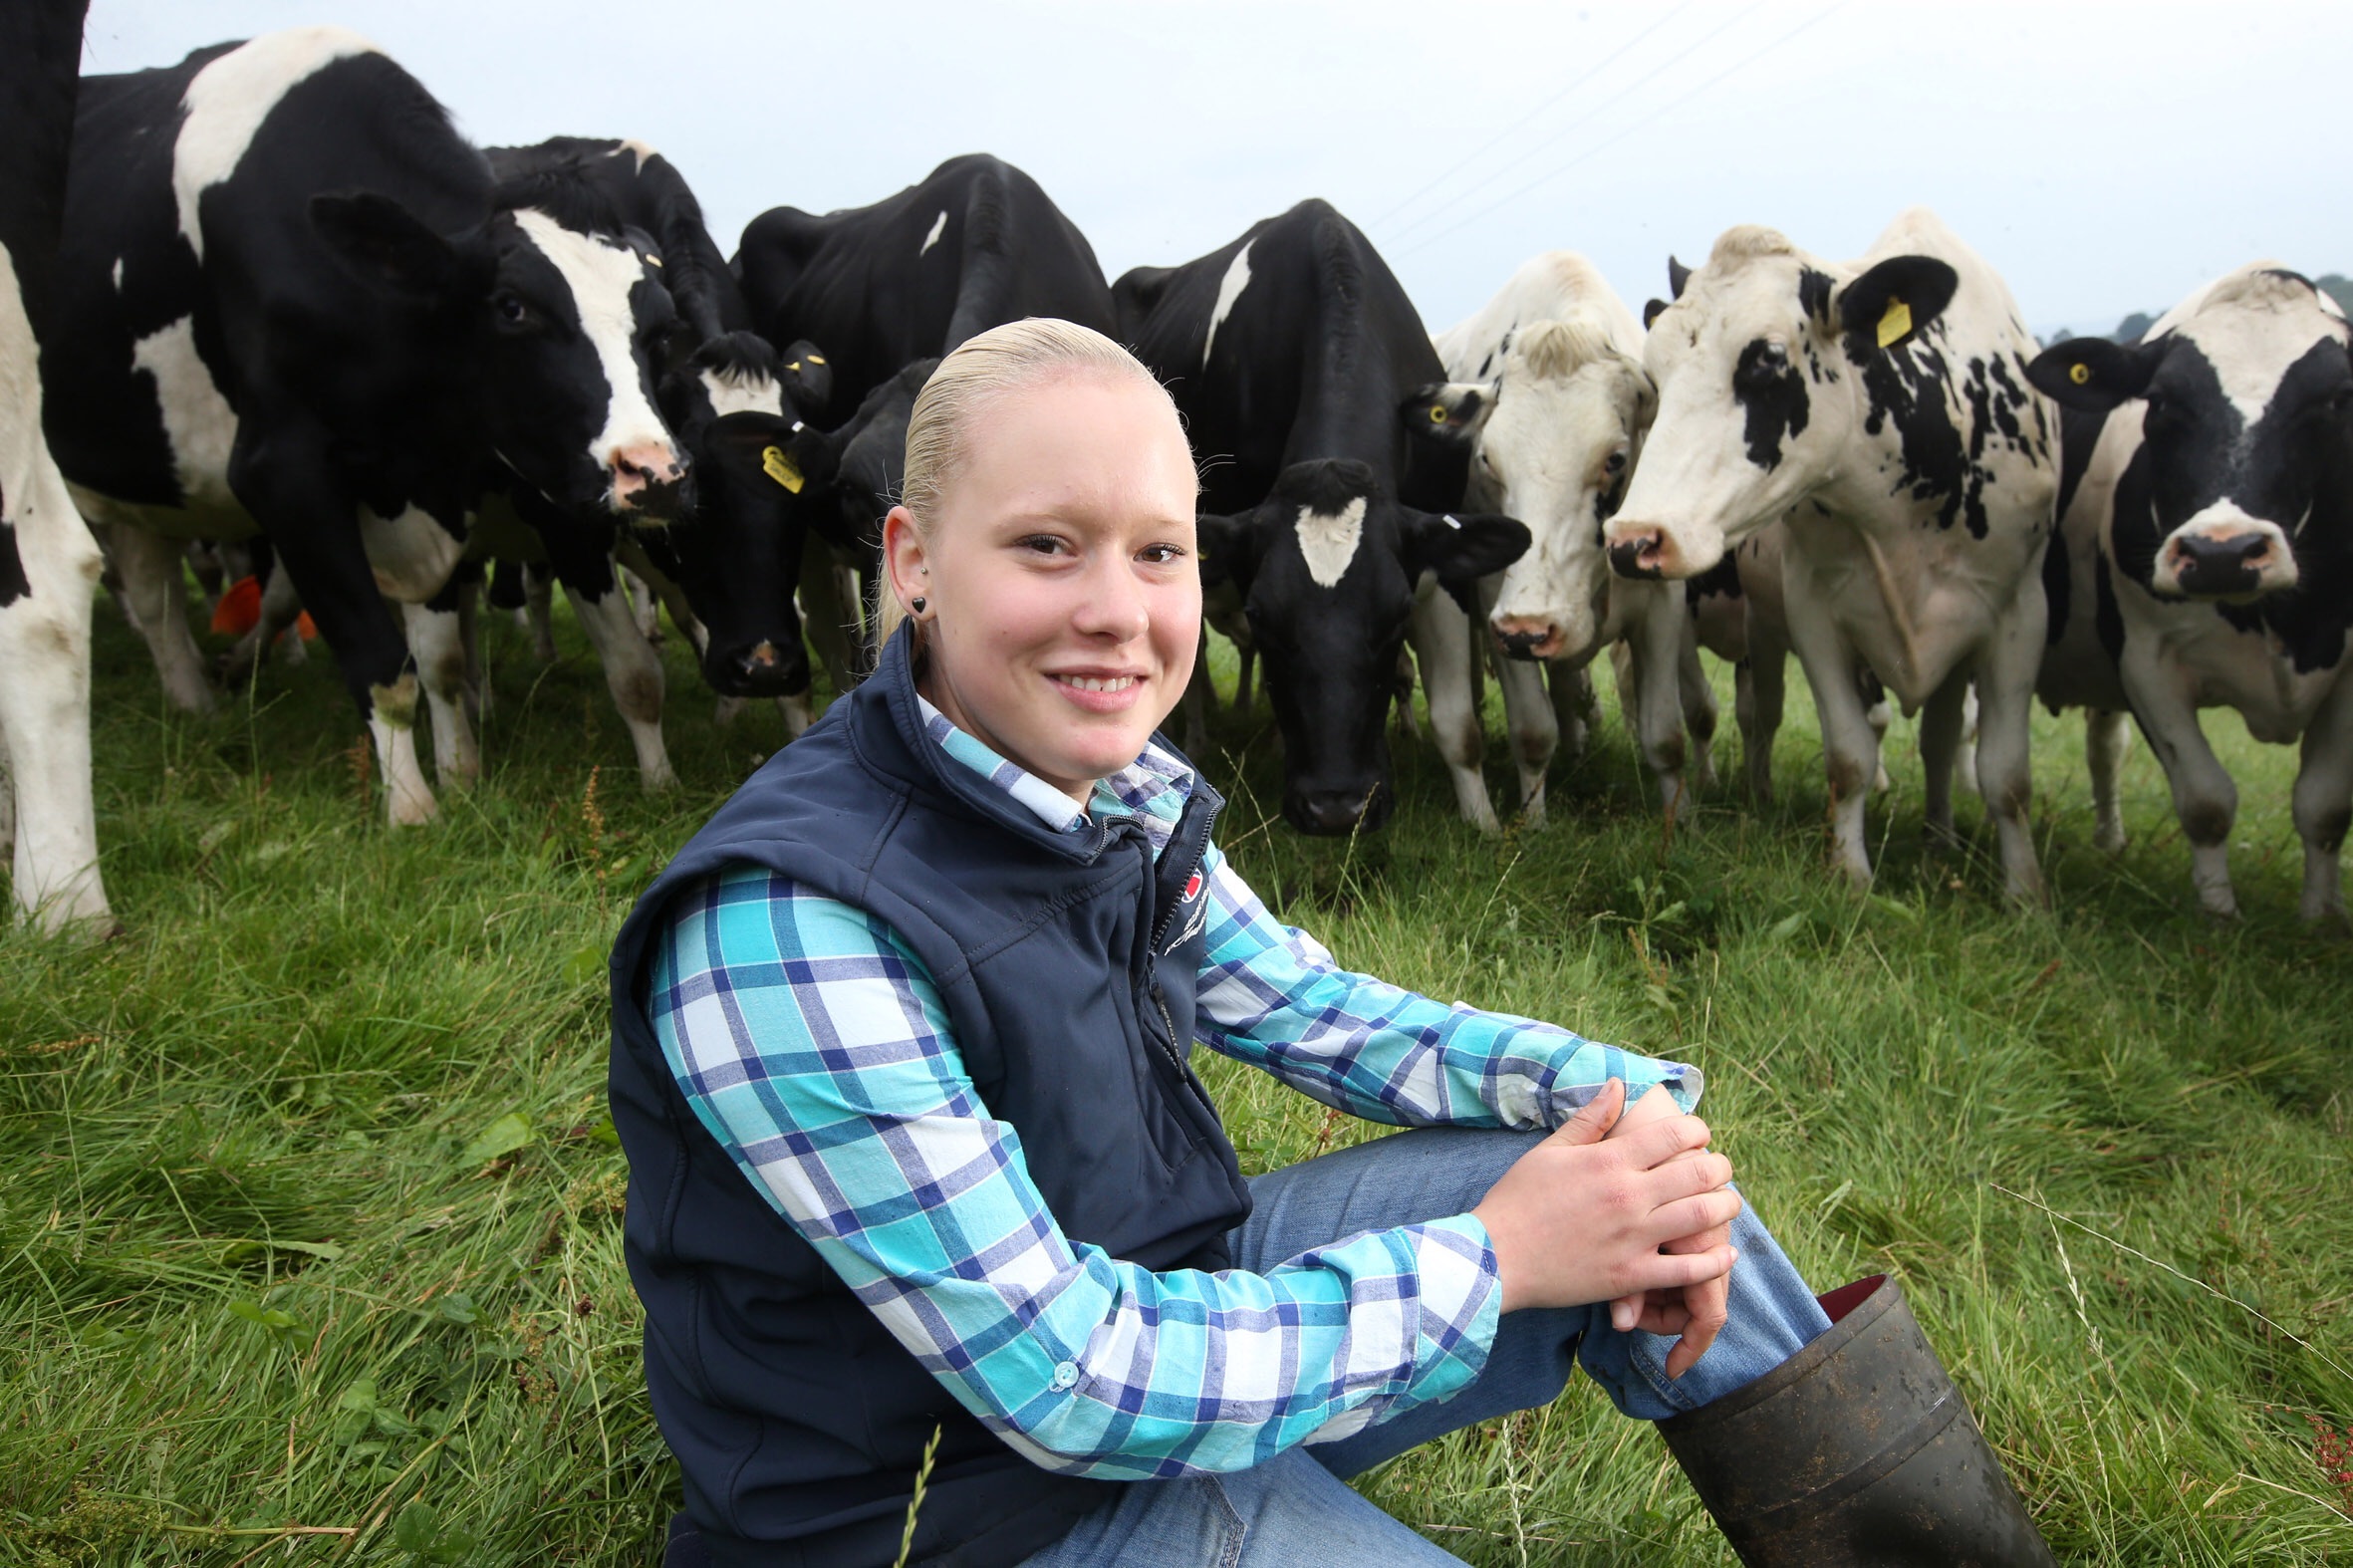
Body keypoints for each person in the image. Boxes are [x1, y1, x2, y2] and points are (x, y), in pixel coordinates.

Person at [607, 319, 2055, 1568]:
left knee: (1641, 1177)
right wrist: (1496, 1257)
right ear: (914, 562)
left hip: (1172, 1304)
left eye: (1158, 552)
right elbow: (1072, 1381)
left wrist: (1623, 1102)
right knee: (1551, 1214)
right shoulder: (790, 927)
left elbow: (1306, 1006)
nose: (1117, 611)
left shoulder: (1114, 789)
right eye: (1046, 545)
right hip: (958, 1511)